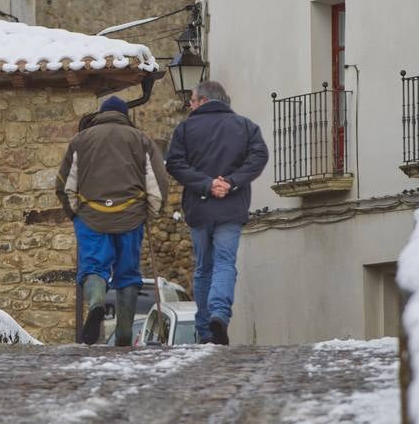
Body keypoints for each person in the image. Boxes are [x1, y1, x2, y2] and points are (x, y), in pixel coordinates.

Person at [56, 96, 167, 346]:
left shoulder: (81, 140)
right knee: (127, 273)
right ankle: (125, 333)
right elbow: (157, 183)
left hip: (91, 216)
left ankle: (96, 304)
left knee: (93, 267)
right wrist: (149, 212)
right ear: (125, 115)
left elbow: (64, 184)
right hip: (130, 216)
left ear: (101, 114)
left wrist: (76, 213)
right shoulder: (141, 140)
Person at [165, 80, 268, 345]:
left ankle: (205, 330)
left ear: (201, 101)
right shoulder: (246, 127)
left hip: (199, 207)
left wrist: (206, 184)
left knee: (204, 267)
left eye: (192, 99)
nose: (189, 104)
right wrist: (231, 182)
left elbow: (175, 163)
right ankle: (219, 314)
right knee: (224, 263)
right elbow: (258, 158)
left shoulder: (185, 129)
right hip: (231, 208)